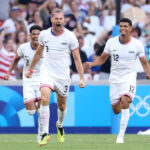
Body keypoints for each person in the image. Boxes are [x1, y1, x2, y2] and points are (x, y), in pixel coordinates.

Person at [25, 8, 85, 146]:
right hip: (46, 73)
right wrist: (30, 69)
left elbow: (77, 59)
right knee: (45, 97)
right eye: (56, 18)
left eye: (61, 19)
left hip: (63, 76)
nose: (59, 21)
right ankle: (45, 133)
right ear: (51, 19)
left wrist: (81, 78)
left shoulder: (70, 36)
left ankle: (60, 125)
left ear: (64, 20)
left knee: (62, 105)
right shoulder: (44, 35)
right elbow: (38, 53)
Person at [86, 18, 150, 143]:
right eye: (121, 26)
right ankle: (121, 101)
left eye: (126, 26)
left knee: (125, 101)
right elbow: (102, 59)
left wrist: (148, 73)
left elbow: (144, 62)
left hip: (129, 77)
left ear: (131, 29)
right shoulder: (111, 42)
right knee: (116, 110)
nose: (123, 28)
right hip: (115, 79)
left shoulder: (137, 44)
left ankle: (120, 136)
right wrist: (92, 64)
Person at [4, 25, 43, 144]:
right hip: (28, 82)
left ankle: (41, 133)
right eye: (34, 34)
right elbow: (15, 60)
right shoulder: (23, 48)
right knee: (31, 111)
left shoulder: (46, 48)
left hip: (41, 81)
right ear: (30, 35)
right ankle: (36, 108)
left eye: (38, 34)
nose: (36, 36)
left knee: (42, 109)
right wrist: (9, 72)